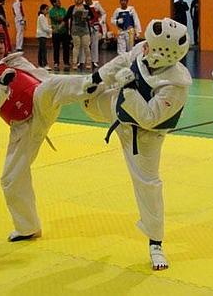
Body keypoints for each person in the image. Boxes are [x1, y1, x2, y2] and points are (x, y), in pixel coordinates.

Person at [0, 21, 99, 243]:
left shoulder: (16, 60)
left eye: (1, 41)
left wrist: (75, 89)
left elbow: (43, 79)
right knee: (10, 179)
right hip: (23, 128)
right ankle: (27, 227)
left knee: (51, 87)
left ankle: (98, 83)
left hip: (39, 104)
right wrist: (0, 85)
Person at [82, 17, 192, 271]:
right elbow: (123, 60)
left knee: (148, 185)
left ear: (165, 53)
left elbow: (149, 118)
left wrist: (129, 86)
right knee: (85, 95)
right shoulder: (145, 49)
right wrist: (97, 76)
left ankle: (156, 243)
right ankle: (43, 93)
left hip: (145, 137)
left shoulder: (176, 85)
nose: (144, 49)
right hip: (118, 108)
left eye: (150, 47)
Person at [65, 0, 94, 71]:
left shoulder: (86, 7)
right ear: (74, 0)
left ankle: (88, 62)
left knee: (86, 46)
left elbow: (92, 16)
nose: (78, 0)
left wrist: (86, 17)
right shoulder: (71, 8)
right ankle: (74, 63)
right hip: (75, 30)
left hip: (85, 30)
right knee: (76, 47)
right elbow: (67, 17)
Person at [83, 0, 107, 70]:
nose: (86, 0)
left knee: (95, 44)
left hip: (95, 26)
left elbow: (103, 13)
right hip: (86, 26)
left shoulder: (96, 4)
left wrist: (100, 21)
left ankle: (95, 61)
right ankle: (84, 61)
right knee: (85, 44)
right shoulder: (83, 5)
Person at [49, 0, 71, 70]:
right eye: (58, 1)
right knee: (56, 48)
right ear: (54, 3)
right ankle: (56, 62)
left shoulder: (63, 9)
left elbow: (66, 19)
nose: (60, 3)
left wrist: (64, 19)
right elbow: (58, 18)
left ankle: (66, 62)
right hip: (56, 32)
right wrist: (63, 19)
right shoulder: (51, 11)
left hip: (64, 31)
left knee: (66, 48)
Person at [36, 4, 52, 69]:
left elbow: (46, 26)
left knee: (41, 50)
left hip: (43, 35)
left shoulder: (44, 17)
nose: (47, 11)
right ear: (42, 10)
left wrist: (50, 27)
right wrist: (51, 30)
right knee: (43, 50)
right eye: (46, 9)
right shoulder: (41, 17)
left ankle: (40, 64)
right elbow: (44, 28)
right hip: (42, 35)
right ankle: (44, 64)